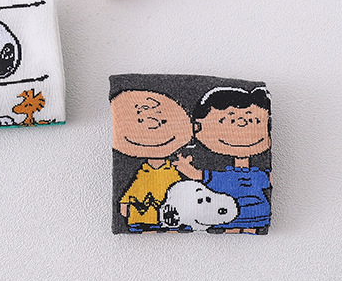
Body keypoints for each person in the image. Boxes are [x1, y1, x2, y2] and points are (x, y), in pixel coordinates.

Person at [111, 89, 196, 231]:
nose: (152, 126)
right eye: (141, 120)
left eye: (163, 121)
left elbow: (179, 188)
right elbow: (135, 188)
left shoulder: (172, 170)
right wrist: (125, 202)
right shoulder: (143, 172)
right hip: (145, 212)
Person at [193, 87, 272, 233]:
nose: (242, 126)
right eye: (227, 120)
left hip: (257, 217)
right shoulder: (223, 176)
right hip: (223, 216)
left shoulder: (258, 174)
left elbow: (268, 181)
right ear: (198, 127)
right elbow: (201, 176)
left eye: (254, 120)